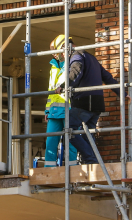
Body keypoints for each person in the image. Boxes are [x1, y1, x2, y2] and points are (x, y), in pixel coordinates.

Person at [54, 36, 119, 165]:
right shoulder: (92, 58)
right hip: (97, 105)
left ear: (65, 48)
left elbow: (75, 72)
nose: (61, 56)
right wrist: (122, 93)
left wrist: (63, 86)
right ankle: (91, 163)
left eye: (60, 53)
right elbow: (107, 77)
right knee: (87, 135)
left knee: (69, 131)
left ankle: (91, 160)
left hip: (84, 102)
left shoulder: (77, 56)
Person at [44, 35, 78, 167]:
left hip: (69, 108)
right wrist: (47, 110)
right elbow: (50, 91)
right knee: (50, 142)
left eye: (54, 49)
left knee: (71, 141)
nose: (53, 53)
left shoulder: (73, 62)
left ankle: (72, 168)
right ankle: (49, 170)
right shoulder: (53, 67)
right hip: (54, 111)